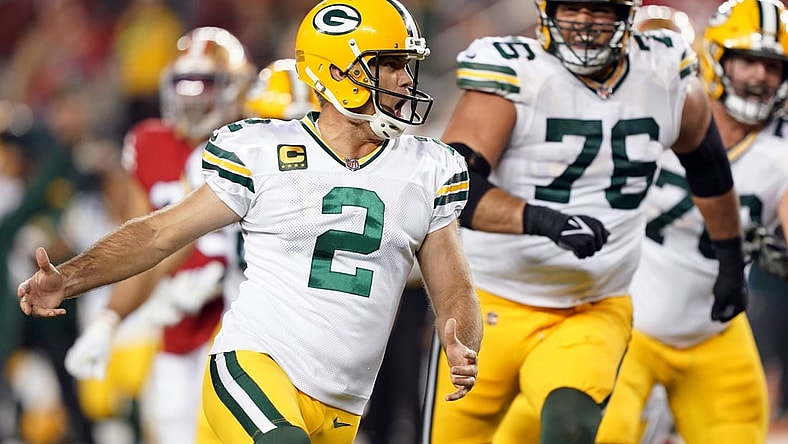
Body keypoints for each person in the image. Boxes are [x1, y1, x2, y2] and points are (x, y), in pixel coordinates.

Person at [16, 1, 484, 443]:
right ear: (339, 72)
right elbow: (159, 234)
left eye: (407, 65)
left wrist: (461, 337)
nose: (406, 80)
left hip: (343, 402)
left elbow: (455, 289)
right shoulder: (262, 150)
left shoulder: (427, 167)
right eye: (392, 64)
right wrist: (71, 278)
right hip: (254, 367)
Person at [421, 0, 748, 443]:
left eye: (601, 10)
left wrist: (730, 258)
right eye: (573, 8)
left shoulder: (665, 73)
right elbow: (455, 187)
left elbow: (708, 168)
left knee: (571, 427)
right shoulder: (515, 73)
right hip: (490, 303)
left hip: (592, 305)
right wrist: (545, 222)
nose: (586, 23)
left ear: (626, 15)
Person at [596, 0, 788, 442]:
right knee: (603, 433)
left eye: (772, 66)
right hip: (626, 322)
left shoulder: (779, 150)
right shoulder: (665, 107)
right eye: (748, 61)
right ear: (717, 56)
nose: (760, 76)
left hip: (714, 331)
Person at [61, 26, 256, 444]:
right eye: (184, 85)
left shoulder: (259, 143)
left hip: (248, 321)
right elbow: (143, 241)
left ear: (237, 87)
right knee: (170, 427)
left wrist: (229, 277)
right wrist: (108, 320)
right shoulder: (150, 143)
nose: (193, 97)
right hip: (175, 318)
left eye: (206, 84)